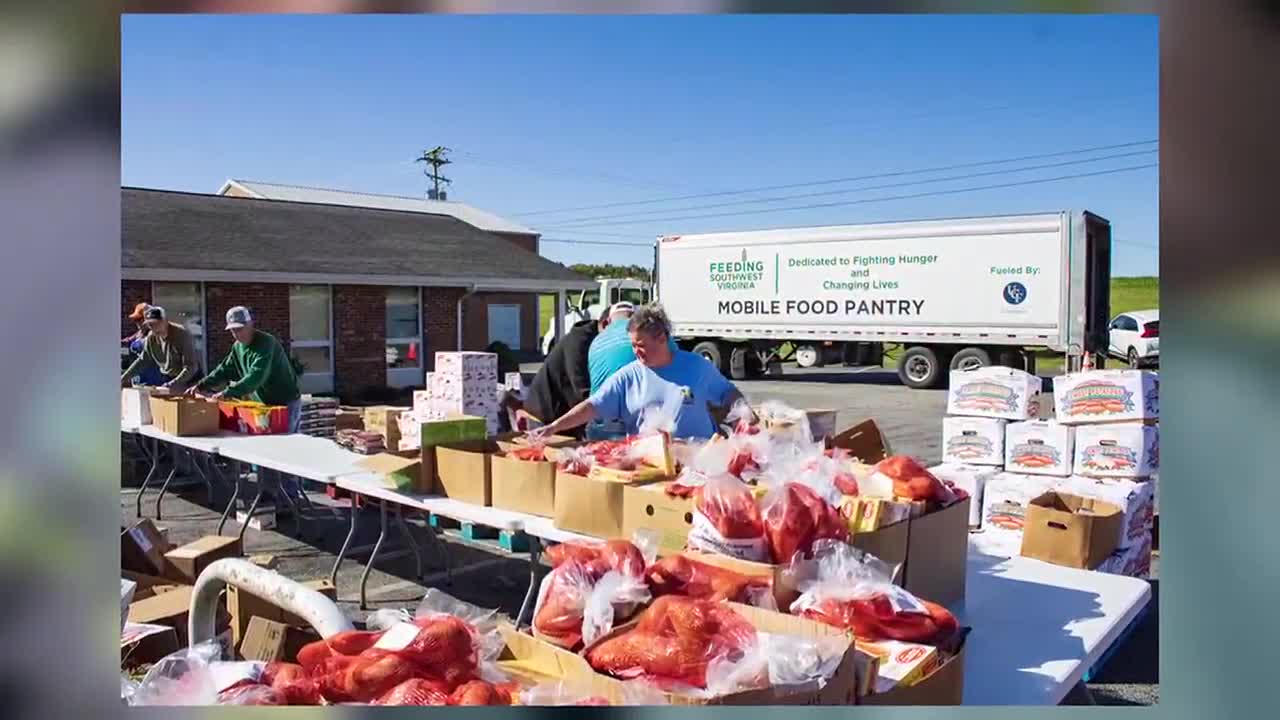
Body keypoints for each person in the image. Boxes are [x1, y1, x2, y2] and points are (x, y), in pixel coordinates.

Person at [536, 303, 751, 442]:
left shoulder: (697, 366)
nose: (636, 352)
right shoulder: (628, 376)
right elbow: (592, 406)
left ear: (661, 338)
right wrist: (555, 427)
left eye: (641, 345)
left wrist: (745, 416)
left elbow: (728, 393)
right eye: (632, 346)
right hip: (651, 467)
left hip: (699, 464)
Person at [187, 306, 302, 432]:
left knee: (285, 443)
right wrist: (201, 385)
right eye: (233, 331)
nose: (237, 335)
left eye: (240, 329)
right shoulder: (237, 347)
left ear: (250, 324)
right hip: (264, 404)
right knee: (268, 444)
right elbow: (224, 370)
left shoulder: (266, 343)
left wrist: (226, 393)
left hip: (286, 403)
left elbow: (256, 377)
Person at [519, 313, 604, 440]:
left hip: (564, 418)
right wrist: (602, 407)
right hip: (545, 415)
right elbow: (580, 384)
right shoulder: (580, 342)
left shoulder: (597, 342)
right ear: (606, 324)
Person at [120, 305, 202, 393]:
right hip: (168, 378)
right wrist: (123, 378)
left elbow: (190, 367)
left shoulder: (182, 335)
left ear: (165, 321)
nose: (154, 327)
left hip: (190, 380)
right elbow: (143, 360)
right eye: (150, 324)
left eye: (157, 323)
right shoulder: (151, 338)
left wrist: (173, 384)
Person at [121, 302, 166, 387]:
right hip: (138, 380)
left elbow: (144, 354)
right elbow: (128, 340)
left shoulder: (155, 334)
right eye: (135, 320)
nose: (137, 322)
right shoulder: (140, 333)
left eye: (139, 319)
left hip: (153, 382)